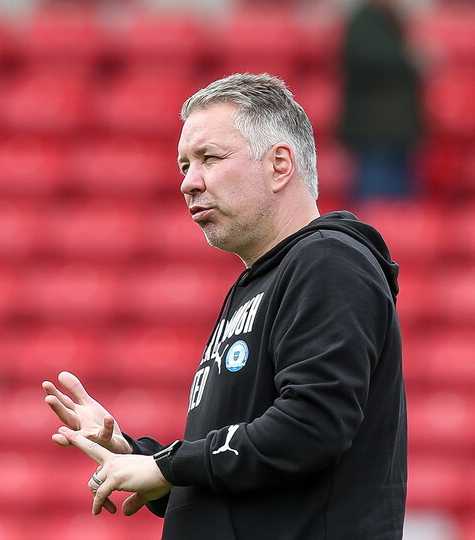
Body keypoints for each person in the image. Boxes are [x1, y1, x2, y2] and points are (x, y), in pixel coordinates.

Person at [43, 73, 406, 539]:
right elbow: (242, 474)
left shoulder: (327, 260)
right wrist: (137, 456)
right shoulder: (259, 281)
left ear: (279, 165)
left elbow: (312, 426)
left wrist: (168, 465)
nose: (189, 184)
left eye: (209, 159)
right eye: (183, 166)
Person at [339, 0, 422, 201]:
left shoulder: (393, 21)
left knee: (400, 202)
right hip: (373, 128)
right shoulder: (361, 22)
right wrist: (408, 59)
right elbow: (365, 60)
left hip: (398, 127)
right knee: (373, 199)